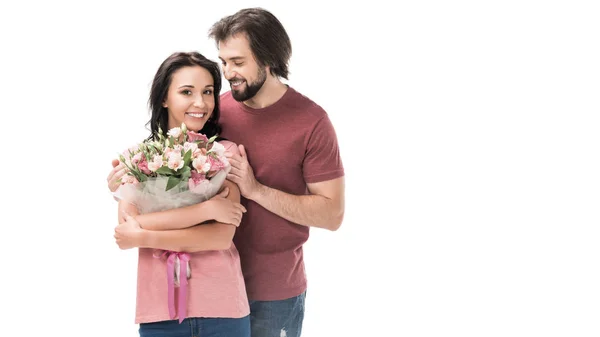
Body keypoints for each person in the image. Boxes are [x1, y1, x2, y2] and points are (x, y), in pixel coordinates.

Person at [108, 7, 346, 337]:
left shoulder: (312, 122)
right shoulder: (212, 113)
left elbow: (332, 215)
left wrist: (255, 189)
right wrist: (125, 185)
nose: (227, 72)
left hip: (271, 290)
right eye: (223, 61)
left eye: (237, 62)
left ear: (268, 59)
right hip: (195, 288)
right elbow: (162, 178)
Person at [112, 51, 251, 337]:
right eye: (187, 91)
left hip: (223, 308)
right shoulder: (136, 160)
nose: (200, 103)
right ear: (164, 97)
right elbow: (126, 231)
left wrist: (147, 235)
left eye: (208, 92)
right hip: (159, 312)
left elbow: (220, 236)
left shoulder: (225, 154)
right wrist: (206, 211)